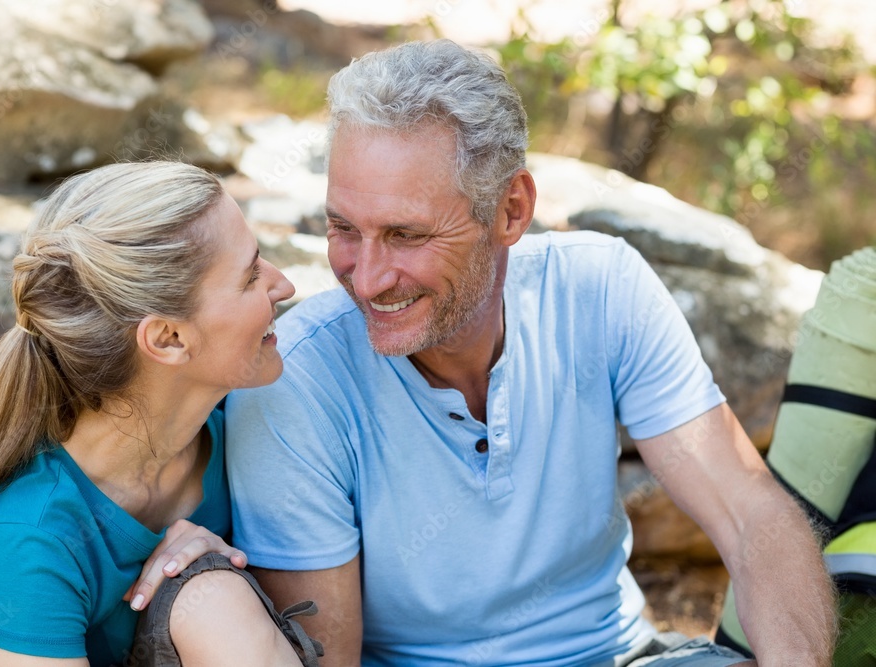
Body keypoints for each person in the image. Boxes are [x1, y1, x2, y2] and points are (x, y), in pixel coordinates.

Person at [224, 40, 838, 666]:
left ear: (511, 211)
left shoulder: (602, 289)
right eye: (344, 229)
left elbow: (752, 515)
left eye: (406, 235)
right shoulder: (294, 380)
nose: (368, 277)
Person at [0, 162, 312, 666]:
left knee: (215, 599)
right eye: (251, 275)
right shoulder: (23, 537)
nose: (284, 286)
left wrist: (211, 568)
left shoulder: (235, 427)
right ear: (168, 338)